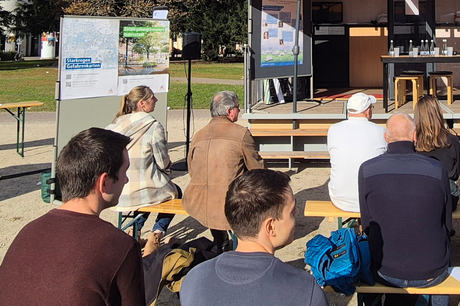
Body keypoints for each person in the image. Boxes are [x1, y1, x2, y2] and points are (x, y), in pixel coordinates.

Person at [0, 128, 145, 306]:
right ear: (104, 182)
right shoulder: (120, 247)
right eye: (124, 172)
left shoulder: (27, 232)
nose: (126, 180)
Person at [180, 169, 327, 306]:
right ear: (270, 227)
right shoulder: (305, 290)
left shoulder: (194, 278)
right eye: (292, 210)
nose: (297, 212)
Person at [359, 114, 452, 306]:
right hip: (431, 270)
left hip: (385, 270)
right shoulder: (436, 169)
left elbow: (367, 224)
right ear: (415, 136)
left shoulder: (367, 170)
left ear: (386, 137)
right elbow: (446, 223)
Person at [185, 90, 264, 248]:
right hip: (230, 203)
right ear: (229, 111)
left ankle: (220, 241)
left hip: (199, 202)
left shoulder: (198, 135)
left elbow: (191, 169)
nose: (239, 111)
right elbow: (257, 169)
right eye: (237, 107)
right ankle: (237, 245)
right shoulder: (241, 133)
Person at [106, 85, 181, 245]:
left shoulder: (114, 126)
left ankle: (135, 228)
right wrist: (167, 167)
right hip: (142, 190)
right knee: (173, 191)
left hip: (120, 190)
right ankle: (157, 232)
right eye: (152, 97)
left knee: (149, 193)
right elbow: (162, 161)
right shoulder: (153, 127)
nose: (156, 100)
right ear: (142, 103)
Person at [327, 92, 386, 212]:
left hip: (340, 199)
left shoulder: (334, 129)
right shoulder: (381, 131)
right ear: (368, 111)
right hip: (372, 199)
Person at [414, 94, 460, 211]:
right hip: (446, 196)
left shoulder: (413, 141)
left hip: (419, 196)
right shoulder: (452, 140)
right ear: (438, 113)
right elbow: (455, 174)